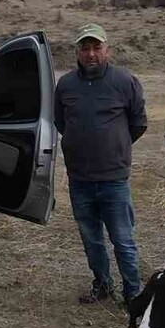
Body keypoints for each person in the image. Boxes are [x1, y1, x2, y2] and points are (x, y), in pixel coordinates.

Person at [53, 23, 147, 305]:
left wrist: (115, 146)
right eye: (85, 48)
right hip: (79, 179)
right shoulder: (65, 84)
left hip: (113, 179)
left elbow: (138, 123)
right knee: (91, 238)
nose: (91, 53)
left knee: (123, 240)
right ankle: (103, 284)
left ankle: (133, 294)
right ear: (77, 52)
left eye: (97, 47)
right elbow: (61, 122)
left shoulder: (125, 81)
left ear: (108, 50)